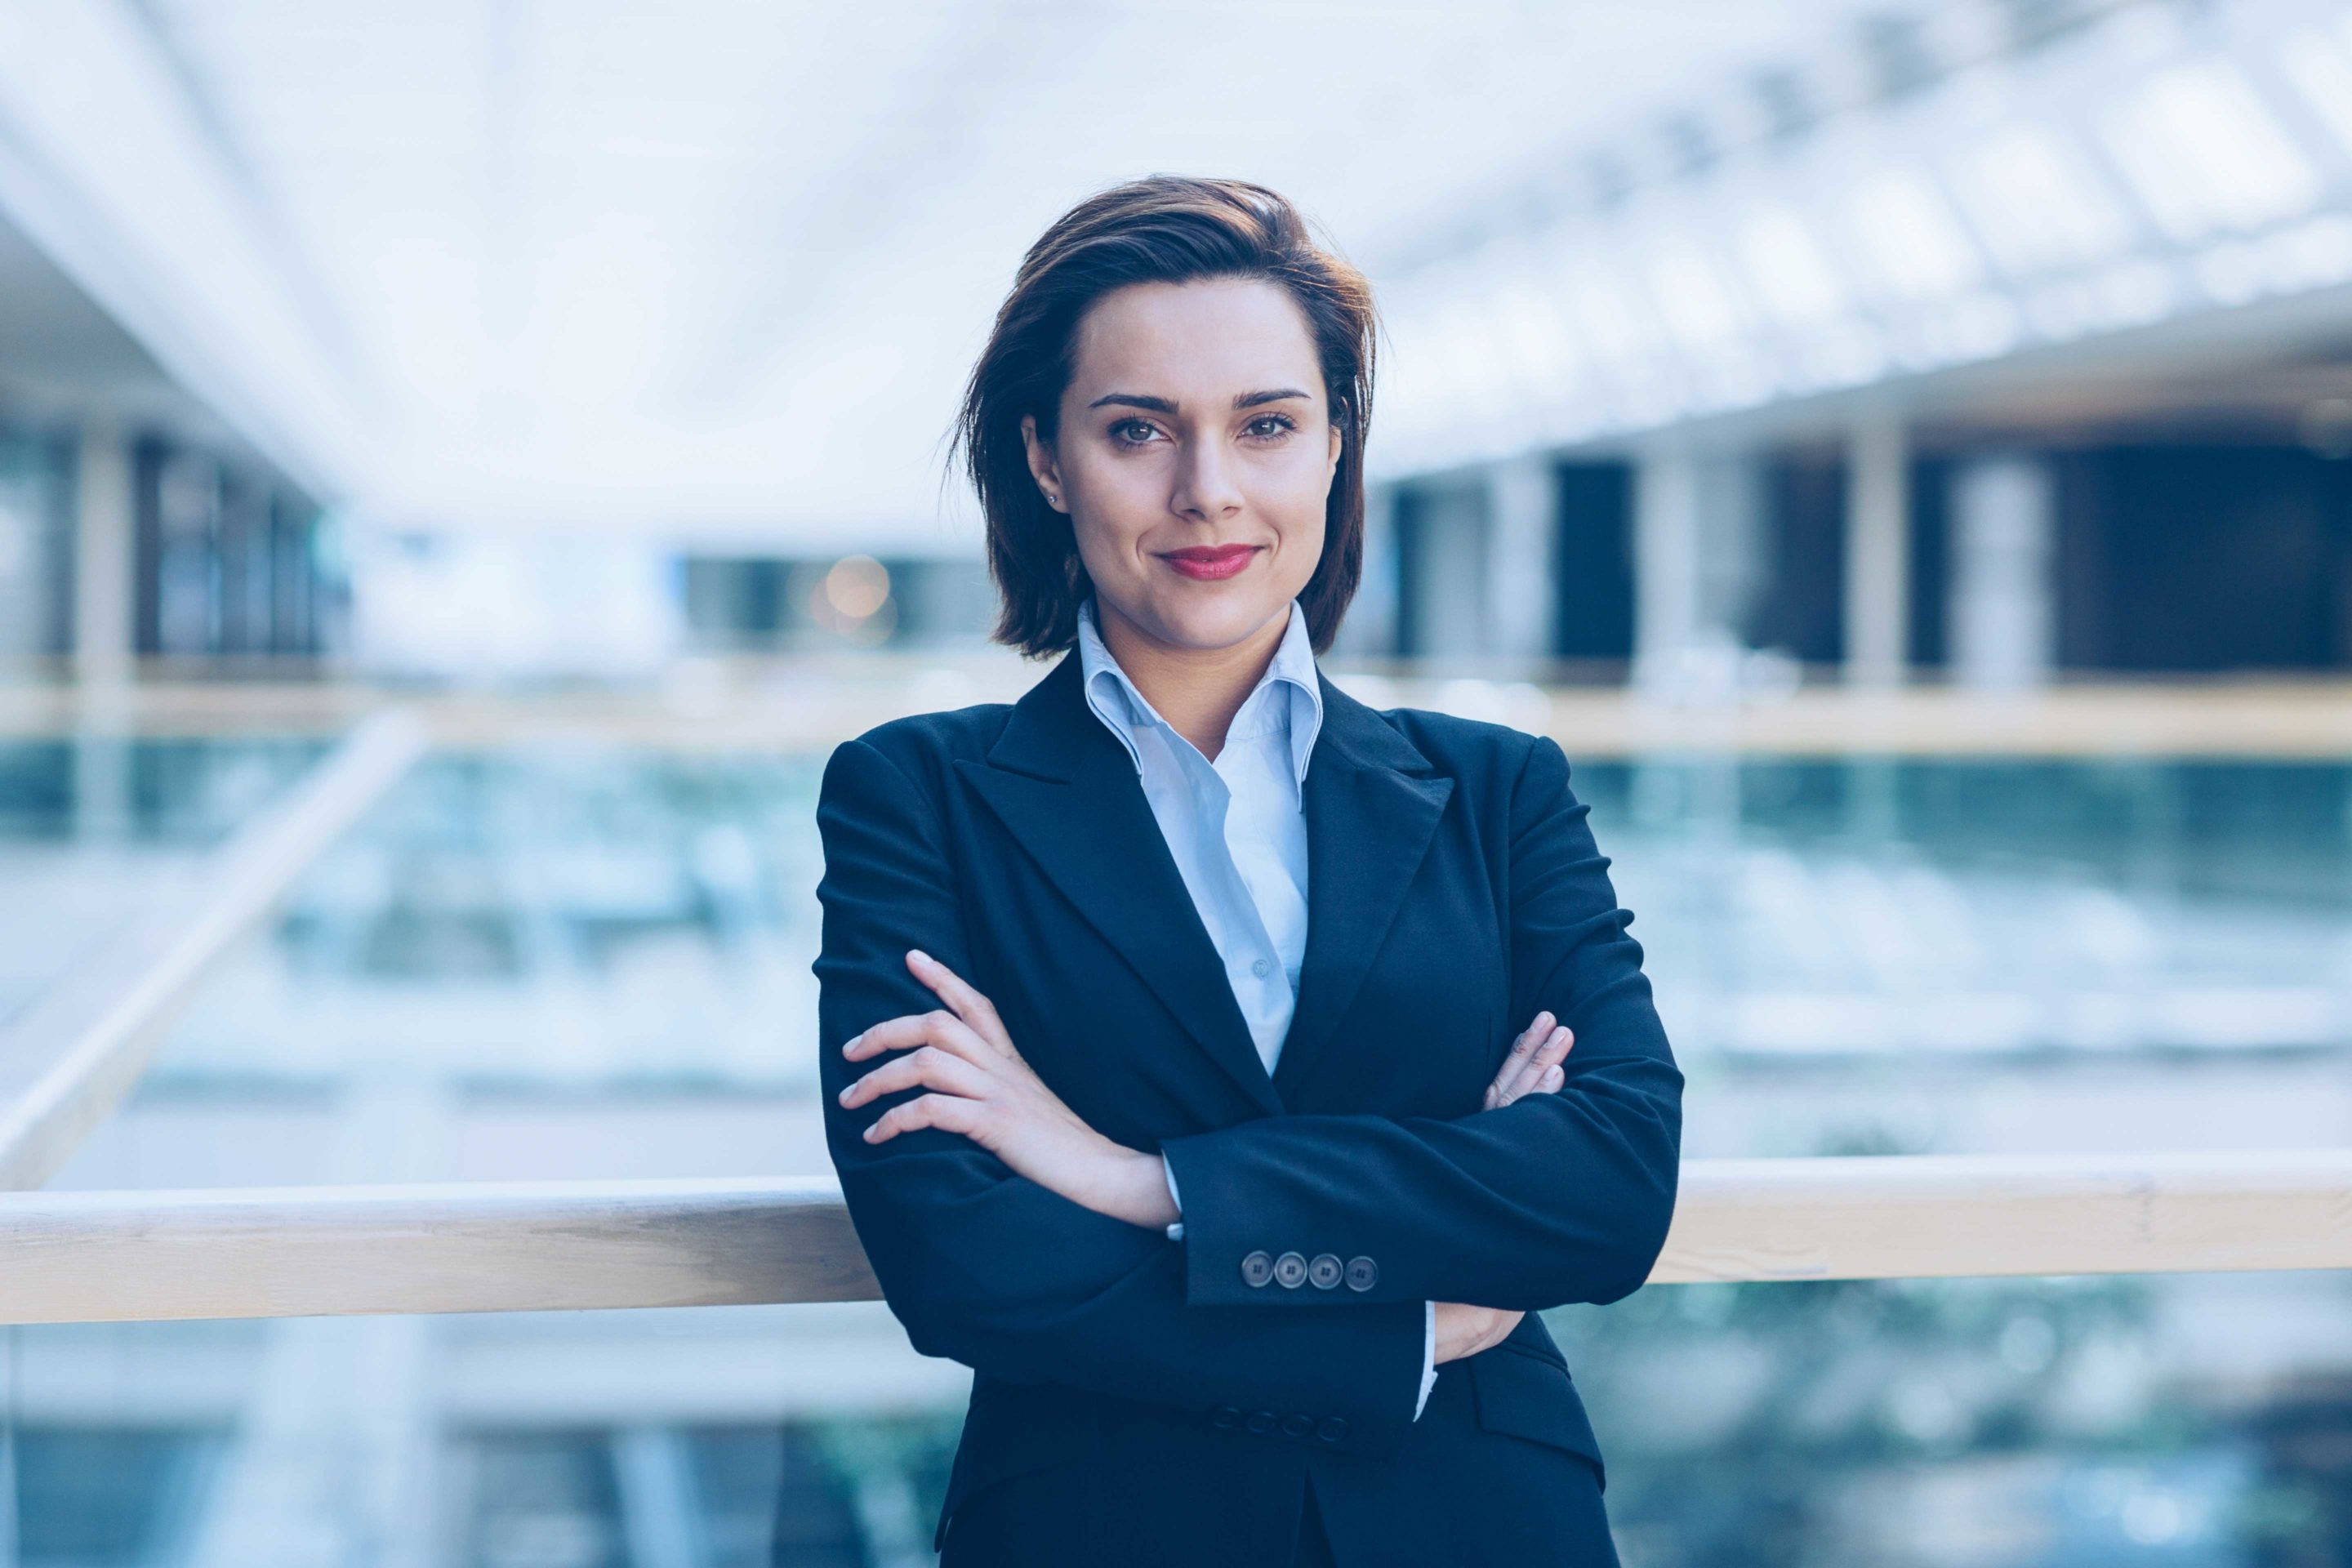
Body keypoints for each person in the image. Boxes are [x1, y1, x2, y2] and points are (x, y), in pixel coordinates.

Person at [806, 174, 1683, 1566]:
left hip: (1479, 1527)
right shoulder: (918, 796)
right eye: (1137, 429)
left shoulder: (1498, 789)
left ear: (1335, 447)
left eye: (1266, 425)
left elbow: (1609, 1188)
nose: (1207, 489)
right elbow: (959, 1258)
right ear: (1045, 459)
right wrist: (1402, 1323)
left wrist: (1132, 1180)